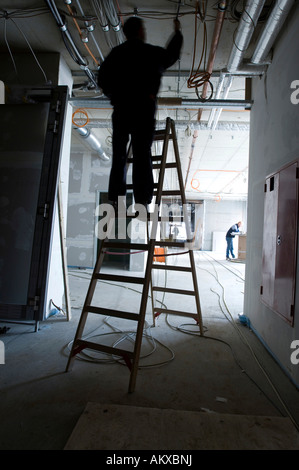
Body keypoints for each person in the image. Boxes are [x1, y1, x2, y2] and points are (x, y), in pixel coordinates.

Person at [97, 16, 183, 209]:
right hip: (144, 108)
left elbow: (102, 79)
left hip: (122, 109)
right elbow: (170, 55)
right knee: (142, 154)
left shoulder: (117, 54)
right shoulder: (149, 53)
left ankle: (116, 197)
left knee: (119, 153)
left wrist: (115, 96)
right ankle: (142, 198)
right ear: (140, 31)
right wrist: (177, 33)